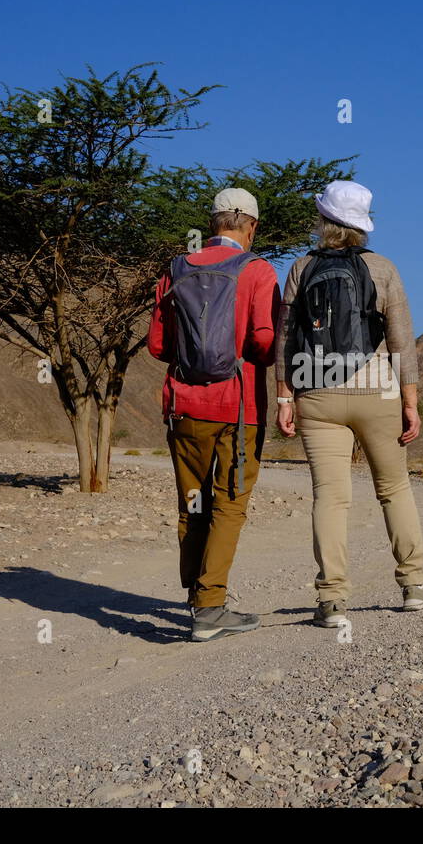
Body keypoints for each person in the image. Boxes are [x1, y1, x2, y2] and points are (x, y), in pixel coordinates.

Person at [275, 180, 423, 628]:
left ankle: (332, 600)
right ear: (362, 226)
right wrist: (411, 402)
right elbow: (402, 342)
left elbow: (286, 339)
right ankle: (414, 587)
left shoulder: (301, 267)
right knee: (394, 489)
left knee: (330, 497)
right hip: (378, 390)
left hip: (316, 391)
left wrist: (285, 398)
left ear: (324, 221)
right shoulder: (383, 268)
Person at [148, 188, 280, 642]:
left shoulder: (176, 269)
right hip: (238, 408)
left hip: (183, 405)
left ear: (214, 221)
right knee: (229, 504)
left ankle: (197, 596)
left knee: (193, 502)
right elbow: (264, 343)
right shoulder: (258, 271)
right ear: (251, 226)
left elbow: (157, 346)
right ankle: (209, 609)